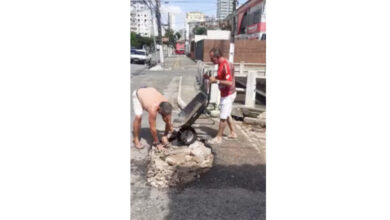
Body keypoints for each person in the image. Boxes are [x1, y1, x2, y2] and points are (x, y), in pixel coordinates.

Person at [204, 48, 237, 144]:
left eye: (212, 58)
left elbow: (229, 82)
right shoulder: (220, 64)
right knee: (226, 114)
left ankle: (219, 137)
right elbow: (220, 77)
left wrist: (216, 81)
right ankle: (233, 132)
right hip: (225, 93)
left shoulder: (226, 65)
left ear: (217, 57)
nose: (211, 60)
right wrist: (211, 78)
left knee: (223, 116)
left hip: (228, 94)